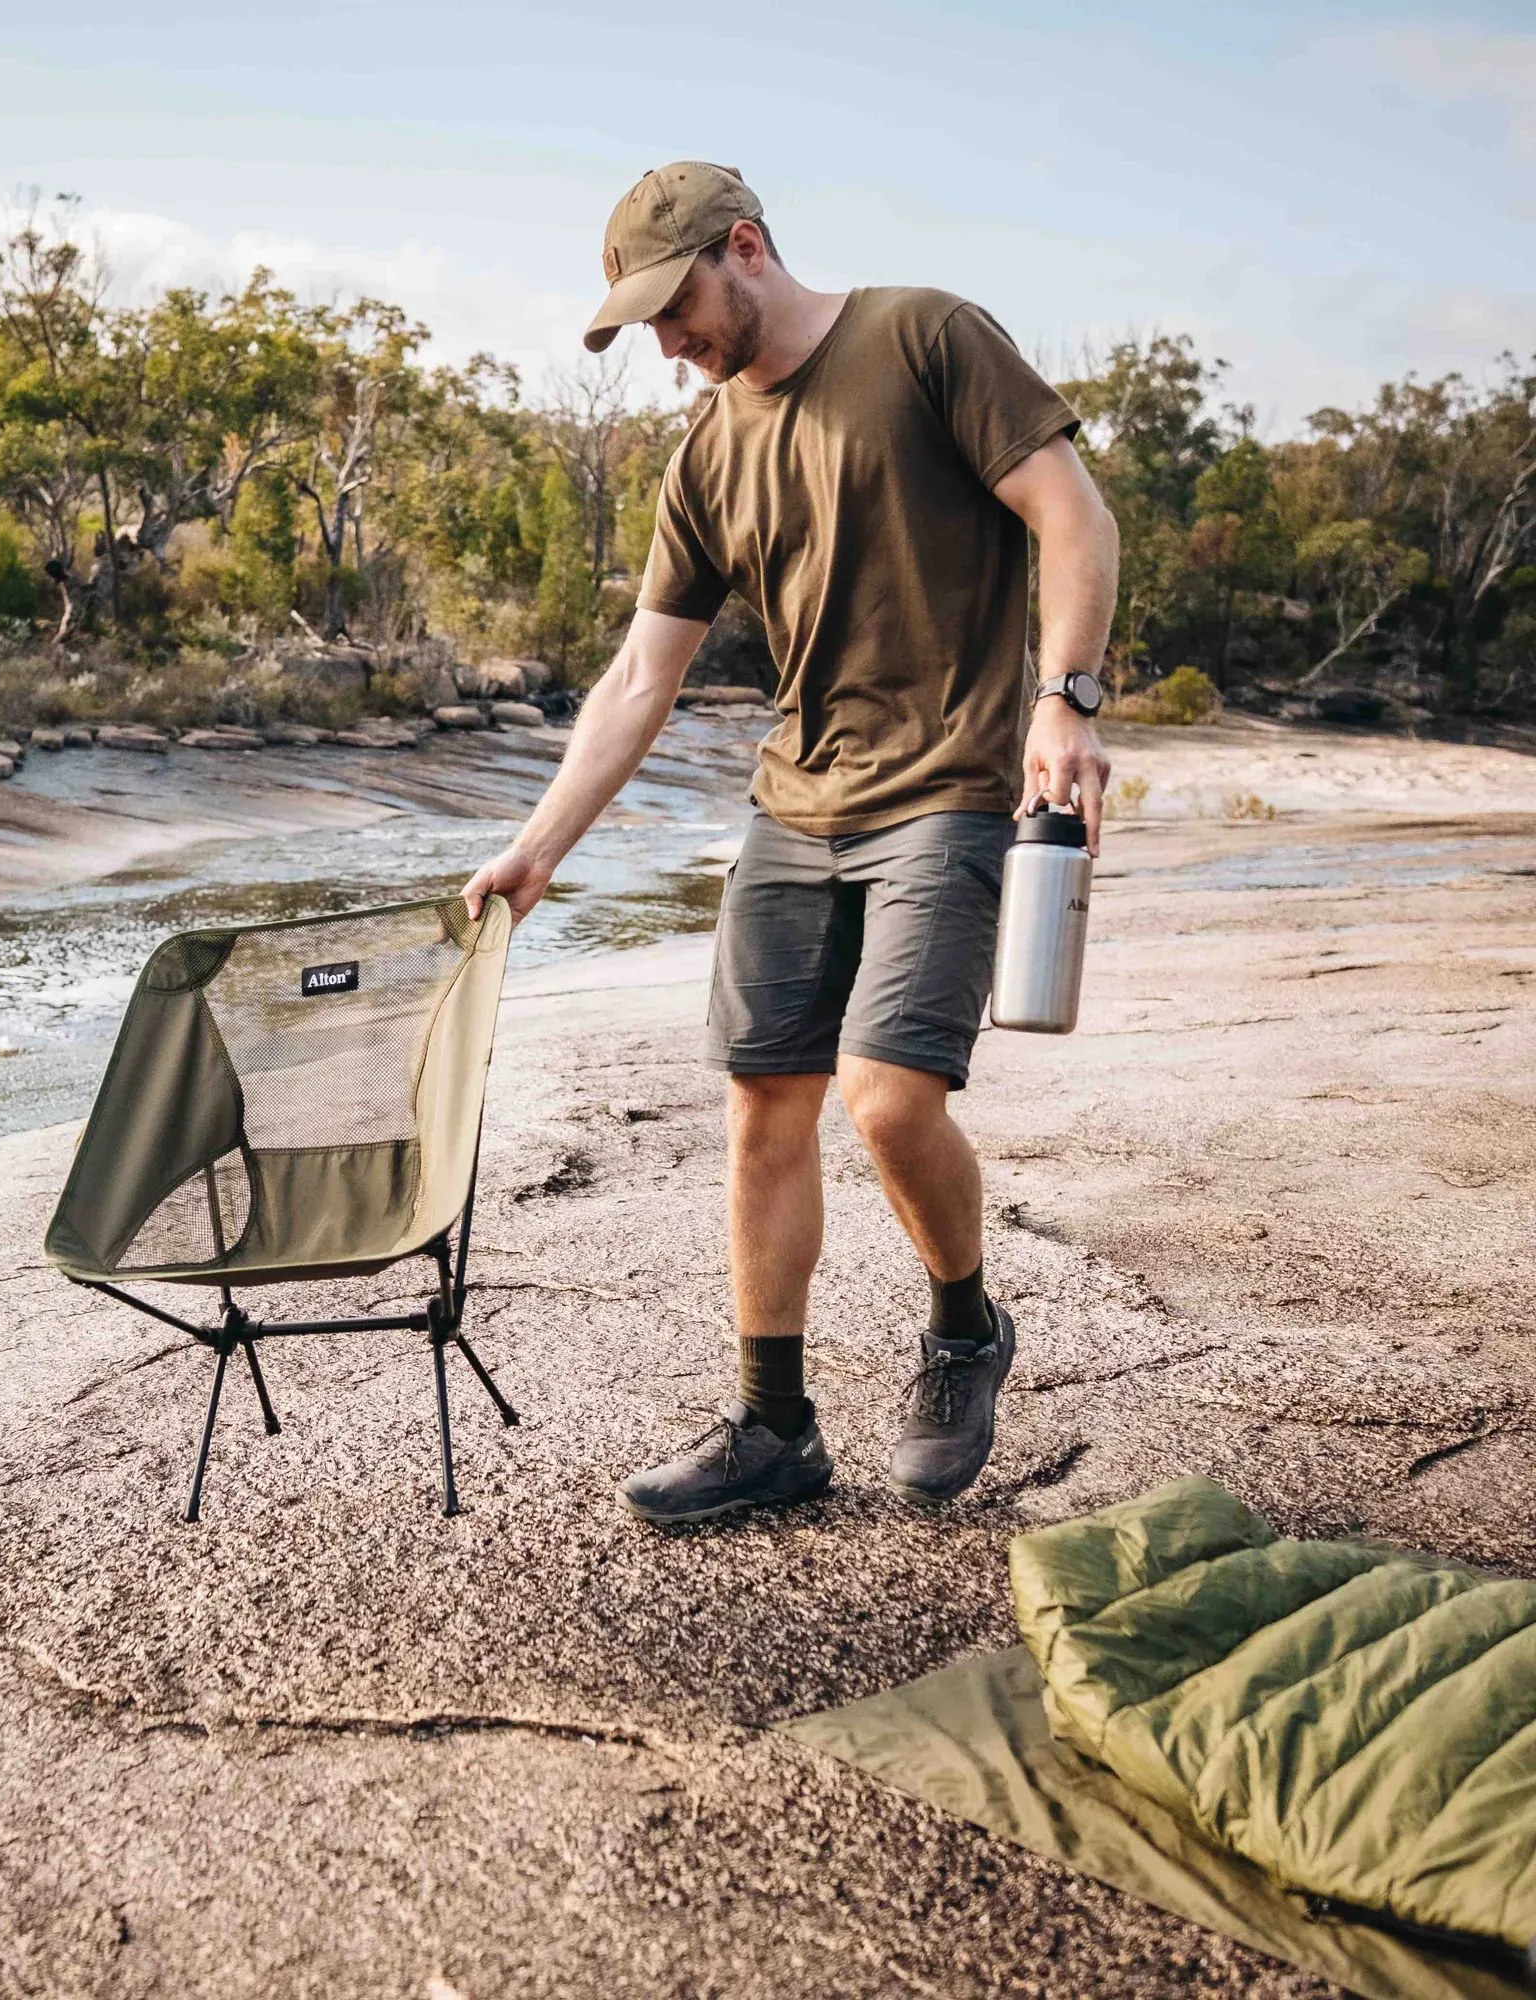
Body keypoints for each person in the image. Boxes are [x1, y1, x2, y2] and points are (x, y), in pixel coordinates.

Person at [462, 162, 1118, 1524]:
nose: (668, 344)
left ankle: (962, 1329)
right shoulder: (706, 455)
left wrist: (1067, 698)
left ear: (745, 249)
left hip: (946, 791)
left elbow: (1073, 515)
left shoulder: (924, 338)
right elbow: (643, 679)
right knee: (764, 1109)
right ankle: (773, 1426)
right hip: (792, 805)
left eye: (676, 306)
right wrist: (539, 849)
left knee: (886, 1099)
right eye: (643, 325)